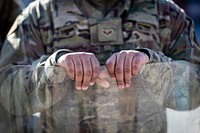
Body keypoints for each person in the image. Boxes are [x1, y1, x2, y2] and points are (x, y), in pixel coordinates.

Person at [0, 0, 200, 132]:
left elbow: (195, 93)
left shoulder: (166, 13)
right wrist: (54, 69)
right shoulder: (39, 14)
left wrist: (152, 65)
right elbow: (7, 91)